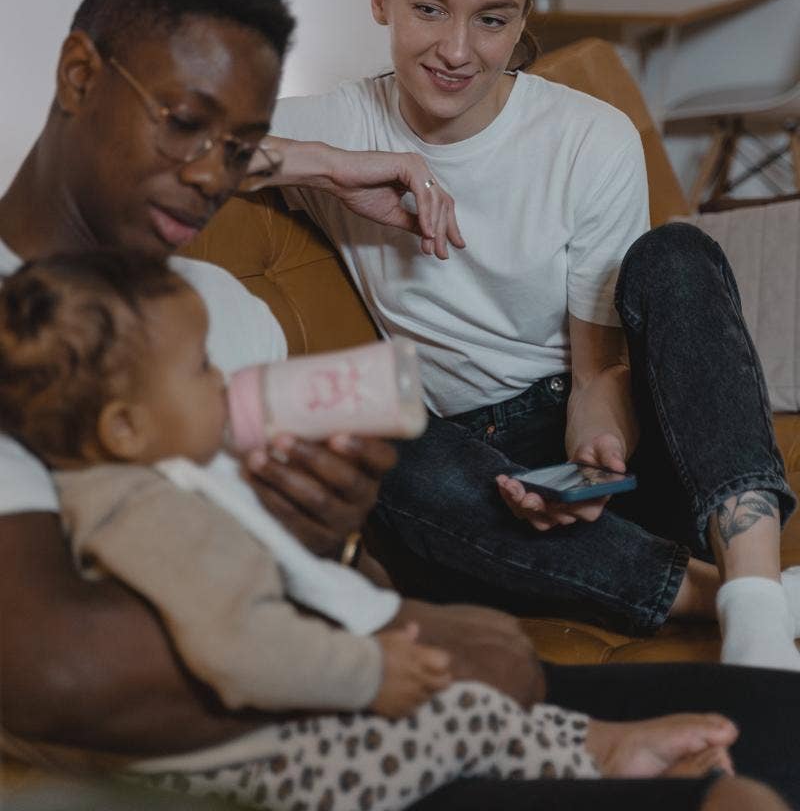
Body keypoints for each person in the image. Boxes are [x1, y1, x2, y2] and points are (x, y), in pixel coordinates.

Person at [0, 0, 796, 811]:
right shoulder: (26, 331)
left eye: (236, 147)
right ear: (78, 77)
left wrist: (335, 538)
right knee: (740, 798)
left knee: (773, 734)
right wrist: (408, 628)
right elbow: (56, 664)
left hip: (409, 702)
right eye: (186, 125)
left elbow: (316, 568)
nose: (206, 175)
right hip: (310, 745)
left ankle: (750, 603)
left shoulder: (214, 303)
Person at [268, 0, 800, 676]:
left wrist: (597, 443)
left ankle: (756, 613)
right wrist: (332, 164)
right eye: (427, 7)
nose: (456, 50)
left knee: (675, 254)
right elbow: (168, 144)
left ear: (523, 20)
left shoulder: (588, 136)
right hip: (469, 480)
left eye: (492, 20)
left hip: (618, 447)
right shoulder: (341, 124)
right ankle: (734, 595)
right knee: (381, 449)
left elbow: (595, 369)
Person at [0, 249, 751, 809]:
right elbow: (235, 647)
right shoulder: (149, 513)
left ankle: (604, 748)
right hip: (274, 766)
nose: (223, 381)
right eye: (200, 369)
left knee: (467, 712)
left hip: (277, 719)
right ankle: (605, 761)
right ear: (125, 426)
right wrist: (368, 670)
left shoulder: (123, 488)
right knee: (450, 718)